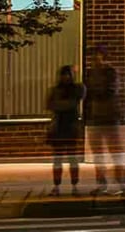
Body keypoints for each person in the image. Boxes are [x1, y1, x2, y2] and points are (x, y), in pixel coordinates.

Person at [84, 46, 125, 194]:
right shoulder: (89, 73)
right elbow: (87, 94)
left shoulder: (110, 72)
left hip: (109, 116)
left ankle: (121, 182)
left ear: (103, 56)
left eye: (97, 55)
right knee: (97, 153)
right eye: (92, 55)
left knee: (115, 151)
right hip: (95, 117)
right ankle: (102, 183)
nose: (94, 58)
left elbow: (110, 91)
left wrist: (93, 92)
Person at [45, 65, 85, 196]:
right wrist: (64, 104)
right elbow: (50, 104)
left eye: (68, 74)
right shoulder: (56, 90)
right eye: (63, 74)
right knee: (58, 158)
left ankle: (75, 186)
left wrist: (60, 104)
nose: (66, 77)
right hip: (59, 126)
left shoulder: (76, 89)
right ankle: (56, 186)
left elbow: (73, 102)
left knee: (72, 158)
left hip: (70, 126)